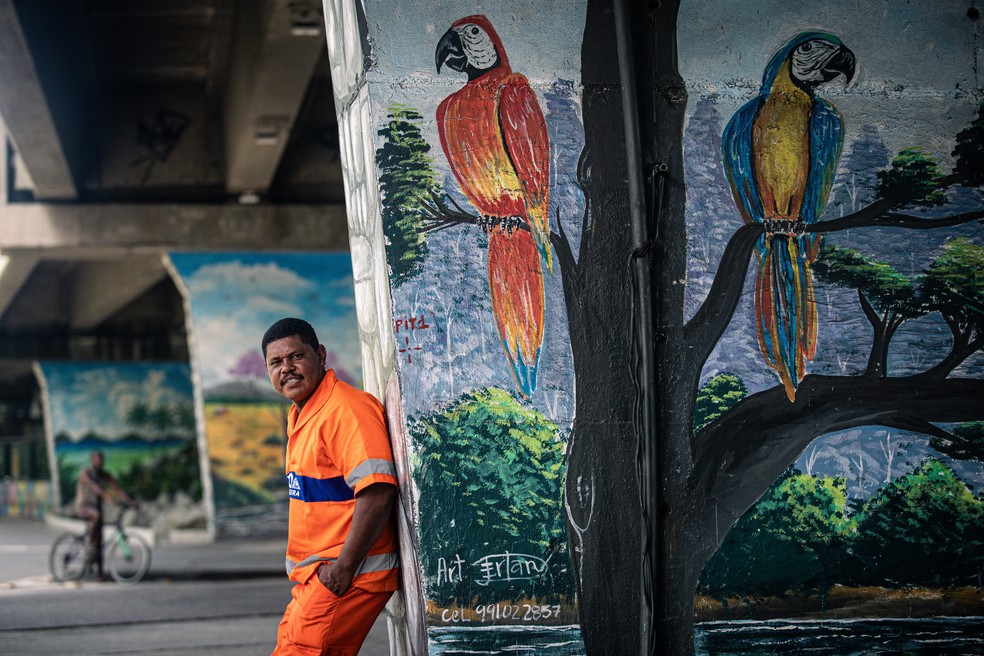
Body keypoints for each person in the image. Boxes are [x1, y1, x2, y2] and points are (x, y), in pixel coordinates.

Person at [262, 317, 399, 656]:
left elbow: (378, 492)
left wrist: (342, 571)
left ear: (320, 355)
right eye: (276, 362)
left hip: (347, 578)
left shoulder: (346, 409)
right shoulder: (303, 414)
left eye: (296, 356)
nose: (287, 369)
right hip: (315, 579)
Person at [74, 449, 137, 580]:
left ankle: (100, 574)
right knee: (96, 516)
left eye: (102, 459)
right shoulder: (85, 473)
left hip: (97, 508)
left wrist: (130, 501)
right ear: (92, 460)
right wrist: (107, 497)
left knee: (100, 541)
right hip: (84, 507)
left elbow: (117, 489)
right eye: (97, 459)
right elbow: (95, 488)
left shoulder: (104, 475)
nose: (100, 462)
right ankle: (89, 544)